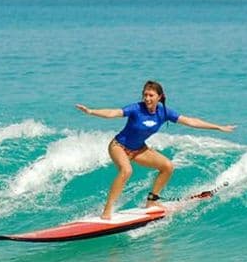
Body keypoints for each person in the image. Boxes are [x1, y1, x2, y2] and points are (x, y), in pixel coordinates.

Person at [76, 80, 235, 219]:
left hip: (139, 149)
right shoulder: (136, 109)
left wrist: (218, 127)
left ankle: (152, 201)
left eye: (151, 95)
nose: (147, 98)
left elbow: (191, 121)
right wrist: (91, 111)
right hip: (119, 146)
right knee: (126, 170)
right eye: (145, 95)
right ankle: (107, 209)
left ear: (159, 96)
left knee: (167, 166)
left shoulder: (164, 112)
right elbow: (113, 113)